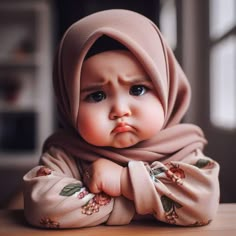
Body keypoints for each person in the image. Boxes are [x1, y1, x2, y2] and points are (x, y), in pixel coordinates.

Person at [23, 9, 220, 229]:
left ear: (168, 89)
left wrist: (123, 181)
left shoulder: (182, 148)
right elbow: (42, 205)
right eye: (97, 95)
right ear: (69, 104)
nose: (120, 110)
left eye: (137, 89)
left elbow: (203, 203)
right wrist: (147, 202)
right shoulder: (66, 153)